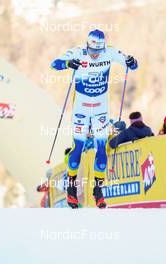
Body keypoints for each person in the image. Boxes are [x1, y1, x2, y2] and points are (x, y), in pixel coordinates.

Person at [51, 29, 138, 209]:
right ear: (88, 45)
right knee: (78, 147)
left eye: (98, 52)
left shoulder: (110, 51)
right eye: (92, 51)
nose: (95, 55)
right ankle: (71, 189)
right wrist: (68, 63)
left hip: (100, 108)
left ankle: (98, 191)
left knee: (101, 147)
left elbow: (132, 64)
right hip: (81, 108)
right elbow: (54, 64)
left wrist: (132, 61)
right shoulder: (78, 51)